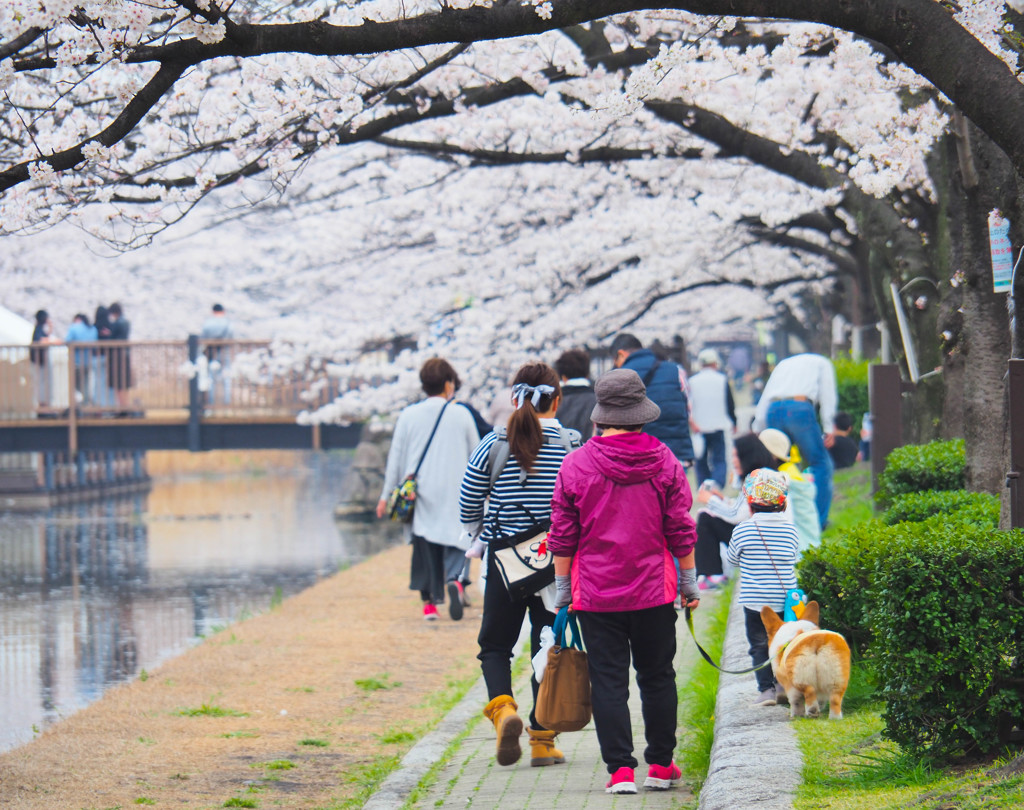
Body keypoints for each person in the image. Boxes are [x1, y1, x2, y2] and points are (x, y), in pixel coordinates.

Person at [548, 368, 700, 794]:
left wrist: (564, 594)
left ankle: (620, 772)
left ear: (600, 417)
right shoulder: (664, 460)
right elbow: (680, 530)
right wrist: (689, 585)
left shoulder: (575, 465)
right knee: (657, 676)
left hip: (596, 594)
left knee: (609, 680)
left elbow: (563, 537)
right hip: (653, 590)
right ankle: (661, 766)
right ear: (641, 415)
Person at [458, 362, 580, 769]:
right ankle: (542, 741)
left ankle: (502, 709)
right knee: (548, 647)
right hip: (554, 561)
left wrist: (478, 531)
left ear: (514, 398)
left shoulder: (493, 443)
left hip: (505, 561)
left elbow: (469, 497)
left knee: (495, 645)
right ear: (556, 400)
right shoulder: (571, 444)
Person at [377, 358, 480, 620]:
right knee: (458, 542)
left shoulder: (409, 415)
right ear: (448, 384)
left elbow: (396, 459)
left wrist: (386, 494)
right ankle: (456, 581)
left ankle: (429, 604)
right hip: (458, 492)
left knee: (425, 548)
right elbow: (477, 456)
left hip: (420, 493)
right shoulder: (462, 415)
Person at [724, 468, 799, 707]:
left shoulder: (743, 530)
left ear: (750, 503)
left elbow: (732, 560)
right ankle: (782, 684)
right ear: (782, 503)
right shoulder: (790, 530)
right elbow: (794, 557)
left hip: (755, 601)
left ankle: (766, 690)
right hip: (784, 600)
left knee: (758, 644)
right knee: (784, 642)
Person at [751, 353, 838, 528]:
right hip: (799, 409)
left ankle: (771, 522)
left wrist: (757, 427)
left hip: (773, 409)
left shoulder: (783, 363)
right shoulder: (822, 362)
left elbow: (767, 394)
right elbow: (828, 393)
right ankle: (817, 522)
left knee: (774, 466)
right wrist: (829, 427)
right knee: (821, 463)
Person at [692, 433, 780, 588]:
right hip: (765, 540)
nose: (733, 461)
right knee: (707, 515)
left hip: (761, 544)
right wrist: (721, 499)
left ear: (748, 456)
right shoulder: (762, 475)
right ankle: (712, 574)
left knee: (705, 516)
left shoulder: (758, 480)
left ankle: (713, 575)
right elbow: (741, 508)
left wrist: (710, 501)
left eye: (736, 456)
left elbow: (737, 515)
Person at [609, 333, 694, 466]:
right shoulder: (676, 371)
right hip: (675, 454)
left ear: (621, 354)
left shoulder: (617, 377)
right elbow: (688, 408)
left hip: (639, 455)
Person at [757, 428, 821, 553]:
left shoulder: (780, 477)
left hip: (800, 549)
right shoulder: (789, 469)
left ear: (772, 455)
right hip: (810, 544)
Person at [688, 348, 737, 488]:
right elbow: (730, 403)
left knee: (701, 459)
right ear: (715, 363)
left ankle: (703, 485)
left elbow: (688, 404)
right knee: (719, 458)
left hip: (699, 426)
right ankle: (717, 484)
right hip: (718, 424)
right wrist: (734, 421)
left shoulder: (692, 381)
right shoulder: (722, 380)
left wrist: (691, 421)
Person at [553, 348, 597, 440]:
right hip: (590, 453)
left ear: (563, 377)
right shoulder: (598, 401)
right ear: (587, 375)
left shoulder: (553, 403)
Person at [200, 303, 235, 406]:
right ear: (223, 311)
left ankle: (211, 401)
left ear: (213, 311)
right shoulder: (228, 323)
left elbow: (204, 336)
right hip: (224, 351)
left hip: (212, 352)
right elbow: (231, 335)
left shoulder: (208, 323)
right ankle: (227, 401)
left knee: (211, 376)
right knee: (226, 376)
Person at [65, 313, 98, 404]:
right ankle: (86, 405)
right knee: (86, 385)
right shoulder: (93, 329)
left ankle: (75, 406)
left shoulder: (74, 328)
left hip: (76, 362)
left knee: (74, 385)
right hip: (88, 362)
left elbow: (67, 341)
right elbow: (95, 346)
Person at [106, 302, 132, 411]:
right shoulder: (127, 322)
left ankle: (122, 407)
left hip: (117, 355)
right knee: (124, 383)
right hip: (126, 354)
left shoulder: (117, 323)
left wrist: (108, 334)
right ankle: (126, 405)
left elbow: (112, 337)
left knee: (118, 383)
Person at [30, 309, 59, 407]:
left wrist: (51, 328)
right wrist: (51, 341)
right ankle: (42, 404)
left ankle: (44, 403)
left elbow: (45, 336)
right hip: (39, 361)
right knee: (41, 382)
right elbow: (40, 341)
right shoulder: (38, 329)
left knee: (43, 382)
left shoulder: (40, 328)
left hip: (41, 361)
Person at [93, 305, 115, 408]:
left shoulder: (94, 327)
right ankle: (110, 405)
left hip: (96, 357)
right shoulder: (110, 326)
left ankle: (99, 406)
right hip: (108, 358)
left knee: (98, 382)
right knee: (109, 383)